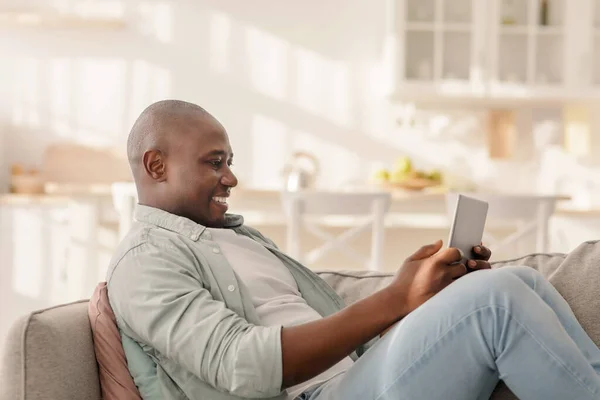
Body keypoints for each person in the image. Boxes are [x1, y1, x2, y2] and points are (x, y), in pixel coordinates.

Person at [106, 99, 600, 400]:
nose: (231, 178)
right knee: (496, 302)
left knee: (518, 281)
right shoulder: (144, 261)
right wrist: (396, 299)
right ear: (156, 166)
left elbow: (335, 331)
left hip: (354, 380)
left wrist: (418, 294)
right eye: (215, 163)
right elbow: (244, 365)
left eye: (230, 162)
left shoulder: (238, 237)